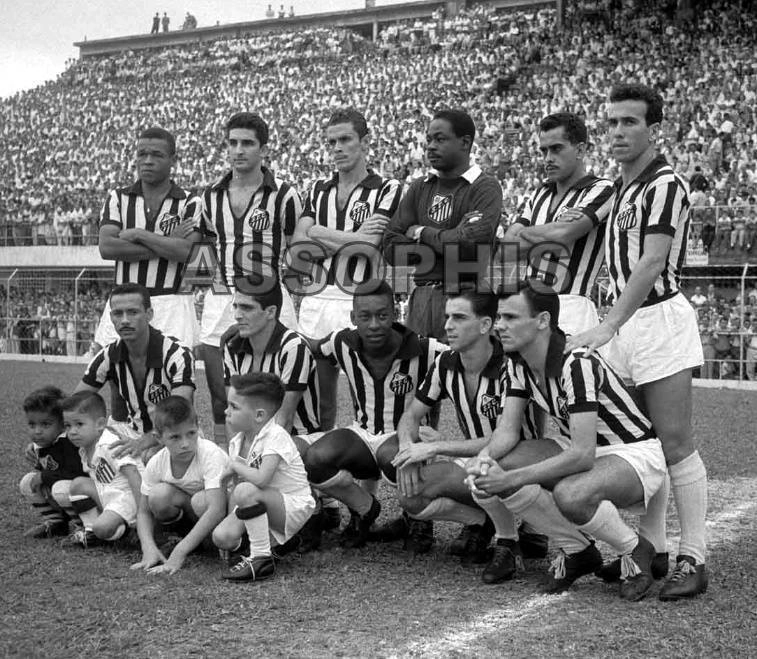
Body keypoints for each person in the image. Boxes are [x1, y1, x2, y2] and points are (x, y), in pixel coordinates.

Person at [568, 84, 709, 601]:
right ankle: (651, 548)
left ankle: (695, 556)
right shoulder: (622, 188)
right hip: (627, 322)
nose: (618, 132)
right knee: (639, 441)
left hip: (657, 318)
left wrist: (607, 325)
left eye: (630, 122)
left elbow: (651, 262)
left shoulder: (665, 183)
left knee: (673, 442)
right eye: (611, 122)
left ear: (655, 130)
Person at [467, 283, 667, 600]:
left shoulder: (576, 363)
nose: (499, 325)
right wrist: (484, 459)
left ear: (543, 321)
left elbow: (582, 456)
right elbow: (507, 433)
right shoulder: (516, 363)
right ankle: (578, 552)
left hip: (633, 453)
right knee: (497, 467)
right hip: (581, 447)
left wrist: (511, 478)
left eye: (510, 317)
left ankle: (637, 552)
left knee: (569, 494)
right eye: (498, 316)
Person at [387, 285, 540, 584]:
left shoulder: (513, 365)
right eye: (447, 317)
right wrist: (408, 448)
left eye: (458, 318)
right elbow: (411, 415)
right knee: (411, 497)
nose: (447, 326)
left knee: (480, 469)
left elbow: (506, 437)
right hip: (476, 461)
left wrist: (434, 448)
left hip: (520, 461)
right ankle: (483, 523)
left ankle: (513, 539)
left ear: (485, 325)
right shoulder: (445, 363)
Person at [301, 279, 445, 551]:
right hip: (363, 434)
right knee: (315, 458)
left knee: (395, 457)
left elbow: (465, 359)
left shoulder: (426, 349)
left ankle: (418, 520)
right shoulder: (341, 341)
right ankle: (364, 509)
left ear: (395, 314)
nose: (375, 324)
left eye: (382, 315)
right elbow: (311, 346)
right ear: (353, 317)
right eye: (365, 317)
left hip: (406, 438)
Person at [291, 108, 402, 432]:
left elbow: (369, 249)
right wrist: (352, 237)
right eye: (331, 142)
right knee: (320, 402)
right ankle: (322, 476)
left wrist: (319, 232)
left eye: (345, 140)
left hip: (360, 301)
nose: (337, 148)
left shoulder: (387, 188)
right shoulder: (318, 189)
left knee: (368, 400)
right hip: (317, 299)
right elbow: (300, 248)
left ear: (364, 142)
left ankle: (367, 477)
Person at [198, 112, 302, 449]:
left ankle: (281, 469)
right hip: (221, 299)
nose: (238, 150)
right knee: (221, 397)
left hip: (270, 300)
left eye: (247, 143)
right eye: (232, 143)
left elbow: (300, 247)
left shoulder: (284, 195)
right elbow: (203, 248)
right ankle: (228, 472)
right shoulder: (209, 197)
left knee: (275, 396)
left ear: (263, 149)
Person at [382, 109, 501, 341]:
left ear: (465, 142)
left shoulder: (485, 187)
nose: (430, 146)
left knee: (460, 374)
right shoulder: (420, 187)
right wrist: (450, 238)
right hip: (421, 298)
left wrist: (420, 231)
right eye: (428, 140)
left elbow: (467, 247)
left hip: (466, 297)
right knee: (418, 372)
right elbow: (390, 249)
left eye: (440, 139)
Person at [503, 112, 614, 335]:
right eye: (544, 151)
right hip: (528, 307)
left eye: (556, 149)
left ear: (581, 150)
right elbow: (507, 249)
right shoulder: (539, 194)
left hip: (572, 307)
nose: (548, 158)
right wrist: (554, 229)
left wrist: (526, 232)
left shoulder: (602, 188)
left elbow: (562, 235)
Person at [94, 127, 202, 352]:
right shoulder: (118, 198)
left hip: (171, 303)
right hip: (124, 302)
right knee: (119, 376)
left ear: (173, 160)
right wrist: (167, 242)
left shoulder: (190, 202)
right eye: (142, 154)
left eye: (157, 155)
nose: (147, 161)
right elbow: (107, 247)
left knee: (174, 376)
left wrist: (139, 234)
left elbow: (187, 253)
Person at [213, 373, 315, 582]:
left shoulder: (276, 436)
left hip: (292, 505)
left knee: (245, 490)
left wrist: (235, 466)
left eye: (234, 407)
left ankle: (261, 559)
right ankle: (277, 544)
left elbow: (261, 480)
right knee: (222, 536)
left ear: (259, 416)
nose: (226, 411)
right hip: (260, 502)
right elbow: (239, 490)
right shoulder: (238, 441)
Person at [76, 283, 196, 459]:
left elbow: (179, 412)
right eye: (118, 313)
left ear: (149, 314)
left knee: (150, 457)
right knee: (91, 450)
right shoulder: (108, 355)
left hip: (176, 435)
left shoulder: (176, 354)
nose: (124, 320)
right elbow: (76, 401)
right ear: (111, 317)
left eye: (133, 312)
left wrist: (143, 443)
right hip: (132, 432)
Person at [132, 396, 229, 575]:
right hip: (193, 514)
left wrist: (179, 553)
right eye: (175, 437)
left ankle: (216, 545)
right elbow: (144, 512)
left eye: (191, 434)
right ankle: (183, 539)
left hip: (223, 517)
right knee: (158, 495)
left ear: (198, 428)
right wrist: (148, 549)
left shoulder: (210, 454)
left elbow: (217, 509)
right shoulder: (156, 462)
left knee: (201, 501)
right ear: (158, 438)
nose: (185, 444)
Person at [58, 391, 144, 548]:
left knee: (102, 527)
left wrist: (142, 514)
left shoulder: (108, 444)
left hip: (128, 495)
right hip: (109, 492)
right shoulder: (84, 448)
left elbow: (134, 475)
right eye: (68, 426)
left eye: (79, 424)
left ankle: (127, 534)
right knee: (78, 484)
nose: (72, 431)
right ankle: (91, 532)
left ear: (100, 424)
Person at [19, 386, 85, 538]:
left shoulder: (69, 443)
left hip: (82, 494)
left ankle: (83, 527)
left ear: (62, 424)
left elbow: (74, 474)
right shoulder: (41, 444)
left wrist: (43, 477)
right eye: (32, 424)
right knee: (27, 481)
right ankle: (56, 523)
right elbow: (46, 466)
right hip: (59, 492)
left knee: (61, 488)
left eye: (45, 424)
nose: (37, 431)